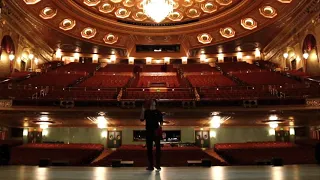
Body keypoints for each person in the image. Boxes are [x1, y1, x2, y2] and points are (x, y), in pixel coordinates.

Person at [140, 99, 163, 171]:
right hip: (148, 132)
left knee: (158, 149)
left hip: (156, 132)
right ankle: (150, 166)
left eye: (154, 101)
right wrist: (143, 110)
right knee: (149, 150)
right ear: (149, 103)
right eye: (151, 101)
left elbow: (161, 121)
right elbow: (141, 119)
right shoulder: (146, 111)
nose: (152, 102)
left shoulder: (158, 112)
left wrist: (160, 127)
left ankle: (158, 165)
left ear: (155, 103)